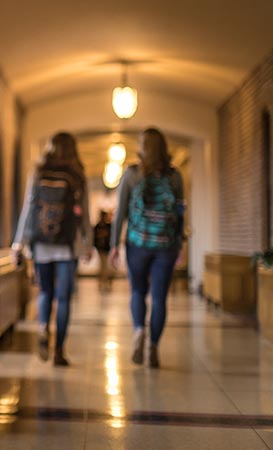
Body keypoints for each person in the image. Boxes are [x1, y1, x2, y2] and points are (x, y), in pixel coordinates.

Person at [11, 132, 92, 367]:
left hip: (41, 243)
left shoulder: (38, 172)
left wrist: (19, 242)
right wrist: (87, 244)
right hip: (68, 244)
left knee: (45, 292)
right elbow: (84, 213)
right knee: (64, 298)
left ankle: (44, 325)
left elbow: (27, 208)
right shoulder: (78, 176)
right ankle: (59, 351)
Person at [110, 127, 185, 368]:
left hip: (137, 243)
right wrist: (180, 243)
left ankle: (139, 331)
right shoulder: (175, 176)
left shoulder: (132, 174)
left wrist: (113, 245)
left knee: (138, 292)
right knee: (160, 298)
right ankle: (153, 346)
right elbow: (180, 212)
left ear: (142, 148)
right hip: (166, 244)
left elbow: (120, 212)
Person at [94, 209, 113, 291]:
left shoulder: (108, 226)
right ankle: (103, 281)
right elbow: (94, 237)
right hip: (101, 249)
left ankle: (105, 281)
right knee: (103, 265)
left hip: (107, 248)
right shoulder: (98, 226)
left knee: (105, 265)